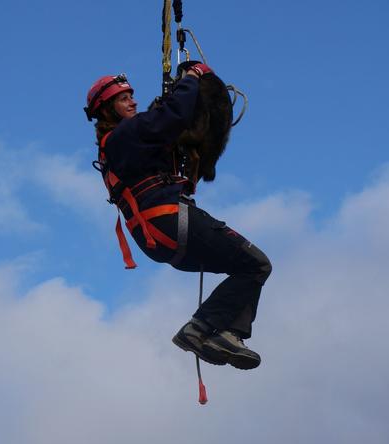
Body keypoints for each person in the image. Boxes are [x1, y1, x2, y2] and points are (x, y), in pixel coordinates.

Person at [84, 65, 272, 370]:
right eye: (123, 99)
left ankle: (221, 333)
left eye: (132, 96)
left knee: (246, 267)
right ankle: (202, 328)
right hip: (170, 221)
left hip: (160, 240)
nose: (132, 101)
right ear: (107, 110)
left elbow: (163, 131)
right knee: (256, 264)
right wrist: (192, 79)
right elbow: (173, 117)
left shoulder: (124, 145)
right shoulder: (123, 135)